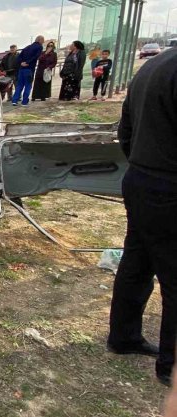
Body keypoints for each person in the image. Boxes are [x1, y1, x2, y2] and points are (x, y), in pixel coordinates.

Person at [107, 47, 177, 387]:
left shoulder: (152, 65)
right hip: (169, 184)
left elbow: (126, 129)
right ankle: (170, 366)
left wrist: (140, 163)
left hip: (140, 177)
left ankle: (123, 336)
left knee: (136, 262)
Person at [12, 35, 45, 106]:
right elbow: (36, 57)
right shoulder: (39, 47)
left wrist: (21, 63)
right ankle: (24, 102)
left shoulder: (27, 47)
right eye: (43, 40)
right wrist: (27, 63)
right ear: (40, 40)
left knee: (19, 85)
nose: (43, 42)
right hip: (29, 69)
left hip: (21, 69)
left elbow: (19, 57)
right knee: (28, 85)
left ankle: (14, 100)